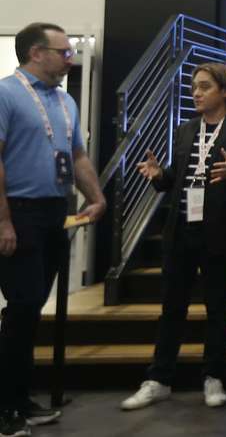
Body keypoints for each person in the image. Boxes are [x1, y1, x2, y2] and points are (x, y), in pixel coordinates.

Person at [120, 63, 226, 412]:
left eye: (203, 87)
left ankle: (213, 376)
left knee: (217, 307)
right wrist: (157, 176)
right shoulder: (185, 130)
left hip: (222, 233)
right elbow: (174, 179)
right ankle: (158, 379)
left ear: (225, 91)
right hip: (181, 231)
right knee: (172, 308)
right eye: (194, 87)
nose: (195, 93)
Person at [0, 23, 106, 436]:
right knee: (22, 308)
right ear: (35, 53)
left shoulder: (64, 101)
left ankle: (20, 399)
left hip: (54, 212)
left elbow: (76, 155)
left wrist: (95, 196)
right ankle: (7, 408)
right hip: (19, 213)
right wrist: (4, 220)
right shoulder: (6, 94)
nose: (71, 59)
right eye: (63, 52)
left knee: (30, 311)